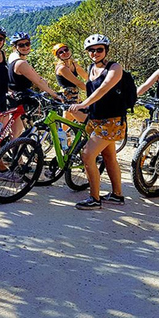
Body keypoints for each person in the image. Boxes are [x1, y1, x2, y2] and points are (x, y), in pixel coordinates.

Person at [68, 34, 126, 210]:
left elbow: (104, 88)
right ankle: (117, 195)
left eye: (99, 49)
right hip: (95, 118)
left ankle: (94, 198)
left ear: (106, 50)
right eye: (91, 50)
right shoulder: (91, 67)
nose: (95, 53)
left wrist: (83, 104)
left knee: (87, 155)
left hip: (112, 120)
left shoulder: (115, 68)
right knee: (109, 156)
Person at [8, 32, 62, 137]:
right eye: (21, 45)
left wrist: (41, 79)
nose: (25, 47)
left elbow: (35, 75)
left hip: (14, 97)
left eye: (27, 44)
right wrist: (54, 95)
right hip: (20, 99)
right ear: (15, 47)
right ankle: (9, 152)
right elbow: (39, 82)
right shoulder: (21, 63)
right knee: (16, 133)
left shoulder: (14, 59)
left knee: (16, 132)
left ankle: (9, 151)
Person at [52, 42, 89, 121]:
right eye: (61, 52)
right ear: (58, 56)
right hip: (67, 95)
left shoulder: (73, 64)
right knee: (73, 119)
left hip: (75, 94)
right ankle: (62, 133)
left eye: (66, 50)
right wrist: (94, 91)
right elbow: (78, 83)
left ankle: (64, 133)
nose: (64, 53)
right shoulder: (62, 68)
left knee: (70, 119)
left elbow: (86, 76)